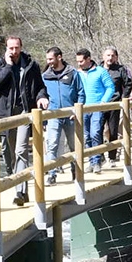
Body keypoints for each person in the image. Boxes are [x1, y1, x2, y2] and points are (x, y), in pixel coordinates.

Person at [0, 35, 47, 205]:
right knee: (8, 154)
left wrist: (42, 97)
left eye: (16, 48)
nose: (14, 51)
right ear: (6, 48)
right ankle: (18, 185)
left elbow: (40, 86)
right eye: (10, 48)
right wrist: (8, 67)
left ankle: (20, 192)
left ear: (21, 47)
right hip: (5, 115)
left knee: (21, 151)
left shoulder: (31, 65)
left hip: (24, 114)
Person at [38, 46, 80, 183]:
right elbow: (41, 93)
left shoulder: (72, 73)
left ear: (59, 57)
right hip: (53, 114)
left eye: (51, 59)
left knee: (74, 145)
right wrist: (44, 119)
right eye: (47, 59)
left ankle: (75, 169)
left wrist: (77, 109)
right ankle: (52, 173)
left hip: (71, 114)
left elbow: (81, 93)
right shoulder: (45, 76)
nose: (49, 62)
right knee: (52, 144)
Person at [74, 48, 115, 168]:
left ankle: (97, 160)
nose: (79, 64)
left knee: (95, 133)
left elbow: (110, 87)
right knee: (86, 136)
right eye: (78, 61)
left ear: (88, 59)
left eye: (81, 61)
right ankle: (91, 161)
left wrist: (104, 101)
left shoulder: (100, 71)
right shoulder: (77, 74)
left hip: (97, 107)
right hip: (82, 108)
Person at [101, 46, 132, 163]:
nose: (110, 58)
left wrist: (124, 98)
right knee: (98, 130)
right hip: (100, 104)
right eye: (108, 55)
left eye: (112, 55)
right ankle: (99, 156)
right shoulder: (98, 69)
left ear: (116, 57)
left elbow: (128, 84)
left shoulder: (121, 70)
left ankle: (112, 156)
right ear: (103, 56)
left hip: (114, 104)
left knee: (113, 131)